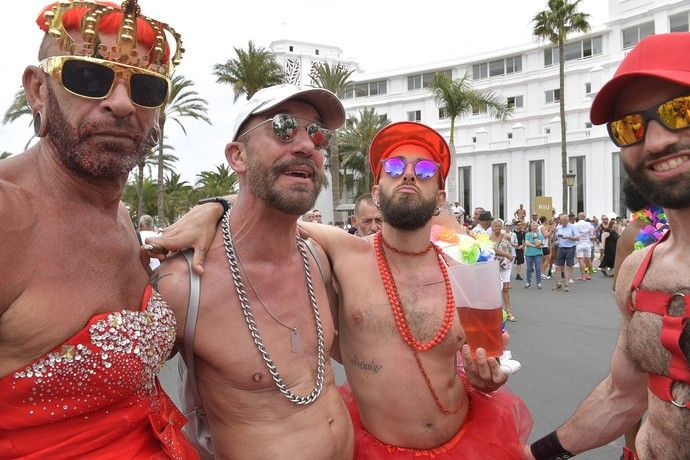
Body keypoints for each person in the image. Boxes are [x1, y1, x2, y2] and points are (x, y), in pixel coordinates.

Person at [154, 122, 532, 458]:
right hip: (375, 448)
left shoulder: (465, 261)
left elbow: (481, 355)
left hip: (467, 439)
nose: (409, 177)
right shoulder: (341, 250)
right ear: (377, 188)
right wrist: (214, 206)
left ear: (440, 194)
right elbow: (267, 204)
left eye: (426, 170)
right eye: (395, 168)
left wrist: (485, 377)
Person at [0, 1, 198, 458]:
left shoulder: (123, 220)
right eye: (88, 77)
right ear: (38, 90)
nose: (123, 104)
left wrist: (213, 210)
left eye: (146, 87)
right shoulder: (8, 216)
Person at [153, 84, 355, 458]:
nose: (307, 145)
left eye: (318, 135)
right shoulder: (183, 284)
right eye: (283, 128)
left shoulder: (319, 257)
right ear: (238, 156)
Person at [526, 32, 690, 460]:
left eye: (680, 110)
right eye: (630, 126)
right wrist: (533, 455)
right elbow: (623, 397)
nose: (654, 142)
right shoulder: (639, 272)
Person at [490, 218, 517, 322]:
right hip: (493, 266)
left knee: (505, 288)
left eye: (499, 226)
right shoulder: (488, 238)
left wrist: (510, 260)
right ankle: (497, 311)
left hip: (505, 266)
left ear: (502, 227)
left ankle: (508, 311)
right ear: (492, 227)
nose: (497, 228)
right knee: (496, 290)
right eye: (495, 226)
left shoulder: (506, 237)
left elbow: (510, 250)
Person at [551, 213, 578, 292]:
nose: (563, 223)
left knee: (569, 266)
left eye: (564, 221)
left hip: (570, 248)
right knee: (557, 266)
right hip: (560, 248)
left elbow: (578, 238)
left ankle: (566, 284)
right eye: (562, 221)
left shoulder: (573, 227)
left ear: (568, 220)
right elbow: (555, 238)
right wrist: (553, 235)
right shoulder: (559, 227)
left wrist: (569, 237)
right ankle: (558, 283)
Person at [573, 212, 595, 281]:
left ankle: (583, 275)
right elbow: (591, 235)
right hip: (587, 243)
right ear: (585, 217)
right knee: (588, 259)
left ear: (578, 217)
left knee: (581, 259)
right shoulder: (589, 224)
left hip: (579, 243)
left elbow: (575, 235)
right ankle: (589, 275)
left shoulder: (576, 225)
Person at [523, 221, 544, 289]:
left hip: (538, 253)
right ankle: (528, 282)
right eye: (533, 226)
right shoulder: (527, 234)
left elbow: (538, 243)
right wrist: (536, 245)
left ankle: (539, 282)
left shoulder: (540, 235)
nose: (534, 227)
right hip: (528, 253)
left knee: (538, 268)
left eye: (536, 226)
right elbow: (527, 243)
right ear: (530, 227)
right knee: (529, 268)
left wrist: (535, 238)